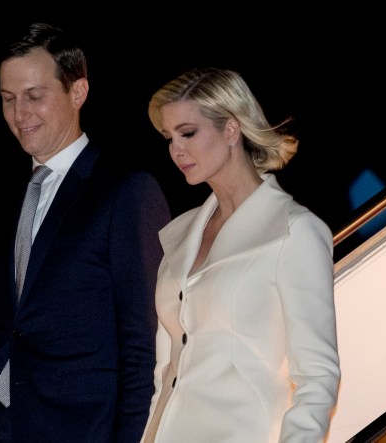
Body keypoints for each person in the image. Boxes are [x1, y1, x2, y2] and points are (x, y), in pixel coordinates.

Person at [0, 23, 171, 443]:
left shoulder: (127, 192)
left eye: (34, 96)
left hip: (79, 428)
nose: (19, 114)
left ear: (78, 92)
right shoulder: (4, 203)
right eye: (8, 99)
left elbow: (144, 345)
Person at [140, 67, 341, 443]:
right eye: (169, 138)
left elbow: (317, 378)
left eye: (188, 133)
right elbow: (166, 374)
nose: (176, 150)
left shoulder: (294, 231)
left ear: (231, 129)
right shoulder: (179, 236)